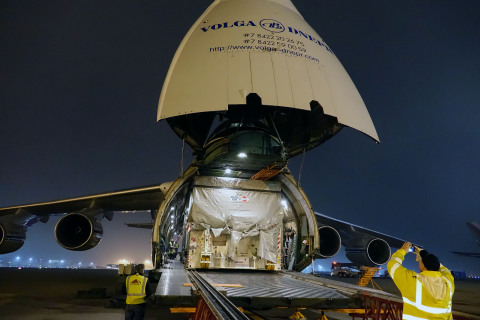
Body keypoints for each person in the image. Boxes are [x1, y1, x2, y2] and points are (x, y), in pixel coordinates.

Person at [387, 242, 455, 320]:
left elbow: (392, 265)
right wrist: (426, 255)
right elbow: (444, 269)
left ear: (422, 266)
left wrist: (402, 251)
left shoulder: (413, 281)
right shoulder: (448, 281)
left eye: (420, 261)